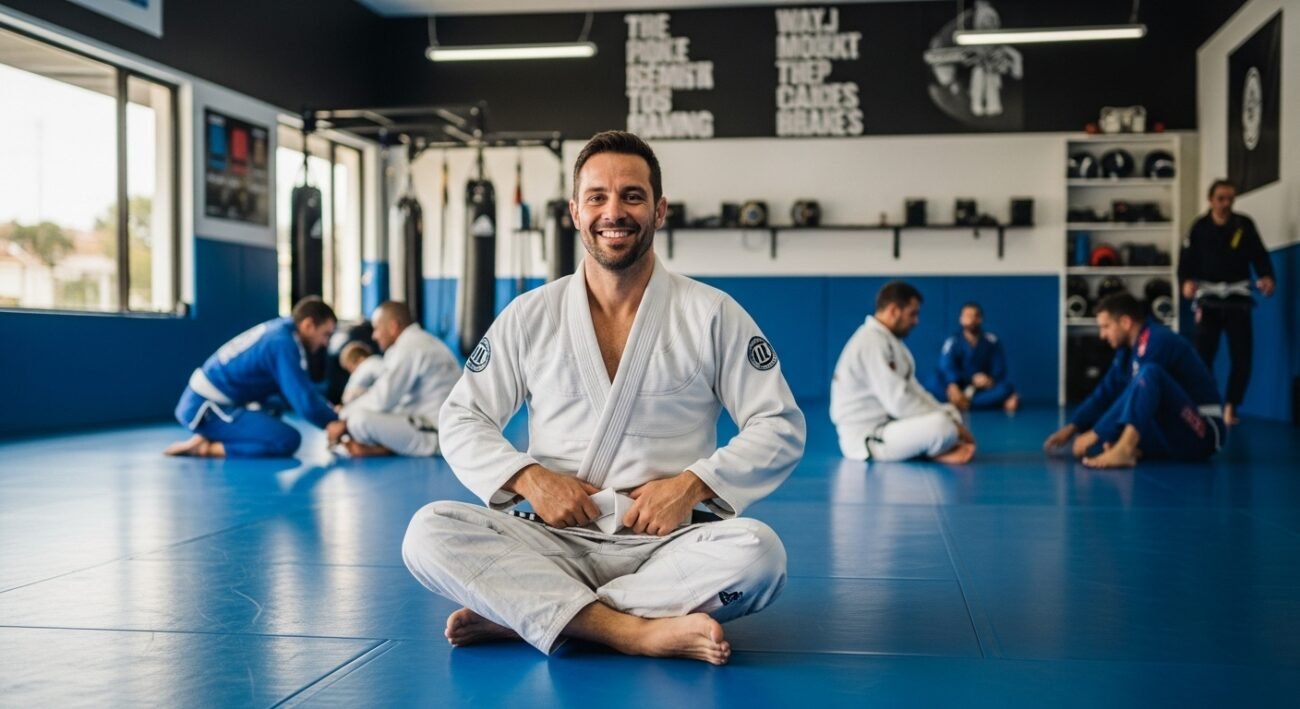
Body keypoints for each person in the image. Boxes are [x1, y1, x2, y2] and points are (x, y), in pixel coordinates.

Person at [401, 131, 805, 666]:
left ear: (659, 210)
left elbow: (778, 424)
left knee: (760, 556)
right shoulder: (530, 314)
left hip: (668, 544)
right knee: (427, 531)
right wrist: (529, 478)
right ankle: (629, 631)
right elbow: (461, 416)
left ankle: (533, 613)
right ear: (574, 210)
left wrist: (691, 486)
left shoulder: (712, 313)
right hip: (555, 539)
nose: (614, 212)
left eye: (632, 196)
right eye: (597, 197)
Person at [1043, 293, 1224, 469]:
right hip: (1174, 430)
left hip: (1203, 432)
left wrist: (1097, 432)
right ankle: (1127, 447)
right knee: (1101, 439)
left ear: (1125, 322)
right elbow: (1105, 391)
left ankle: (1125, 449)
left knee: (1150, 373)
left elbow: (1137, 389)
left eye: (1106, 327)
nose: (1102, 335)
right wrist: (1073, 426)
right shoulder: (1127, 352)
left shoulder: (1157, 340)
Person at [164, 297, 338, 458]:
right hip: (205, 408)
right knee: (287, 440)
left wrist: (328, 409)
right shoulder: (282, 343)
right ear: (308, 325)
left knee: (274, 405)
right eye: (326, 334)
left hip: (218, 401)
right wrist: (331, 422)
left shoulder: (281, 332)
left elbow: (299, 387)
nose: (326, 343)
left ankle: (211, 438)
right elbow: (301, 398)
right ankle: (206, 448)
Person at [830, 281, 977, 464]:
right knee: (943, 427)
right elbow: (899, 402)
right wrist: (949, 424)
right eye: (912, 314)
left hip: (890, 424)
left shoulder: (890, 342)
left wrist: (946, 414)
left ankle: (929, 447)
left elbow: (914, 391)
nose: (916, 321)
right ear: (893, 311)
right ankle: (933, 452)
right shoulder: (871, 342)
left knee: (950, 414)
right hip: (868, 435)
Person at [1179, 179, 1276, 425]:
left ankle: (1231, 406)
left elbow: (1260, 255)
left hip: (1238, 299)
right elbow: (1186, 262)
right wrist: (1186, 282)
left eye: (1230, 199)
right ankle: (1206, 404)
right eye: (1221, 198)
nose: (1226, 204)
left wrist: (1267, 277)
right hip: (1208, 300)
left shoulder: (1243, 225)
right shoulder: (1199, 228)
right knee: (1202, 357)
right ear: (1210, 199)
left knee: (1242, 357)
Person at [326, 301, 460, 457]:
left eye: (376, 328)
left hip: (437, 433)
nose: (374, 336)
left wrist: (343, 416)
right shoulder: (416, 342)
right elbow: (390, 396)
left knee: (358, 421)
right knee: (359, 416)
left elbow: (382, 399)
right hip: (426, 422)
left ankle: (384, 449)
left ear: (393, 326)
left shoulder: (410, 347)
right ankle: (385, 447)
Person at [923, 302, 1019, 412]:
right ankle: (991, 402)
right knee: (932, 381)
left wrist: (989, 380)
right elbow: (946, 366)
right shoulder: (953, 341)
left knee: (1005, 388)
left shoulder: (992, 341)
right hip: (959, 386)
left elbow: (999, 368)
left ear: (981, 319)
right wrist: (953, 384)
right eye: (968, 316)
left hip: (981, 389)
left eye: (975, 316)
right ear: (961, 319)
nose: (972, 320)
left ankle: (960, 403)